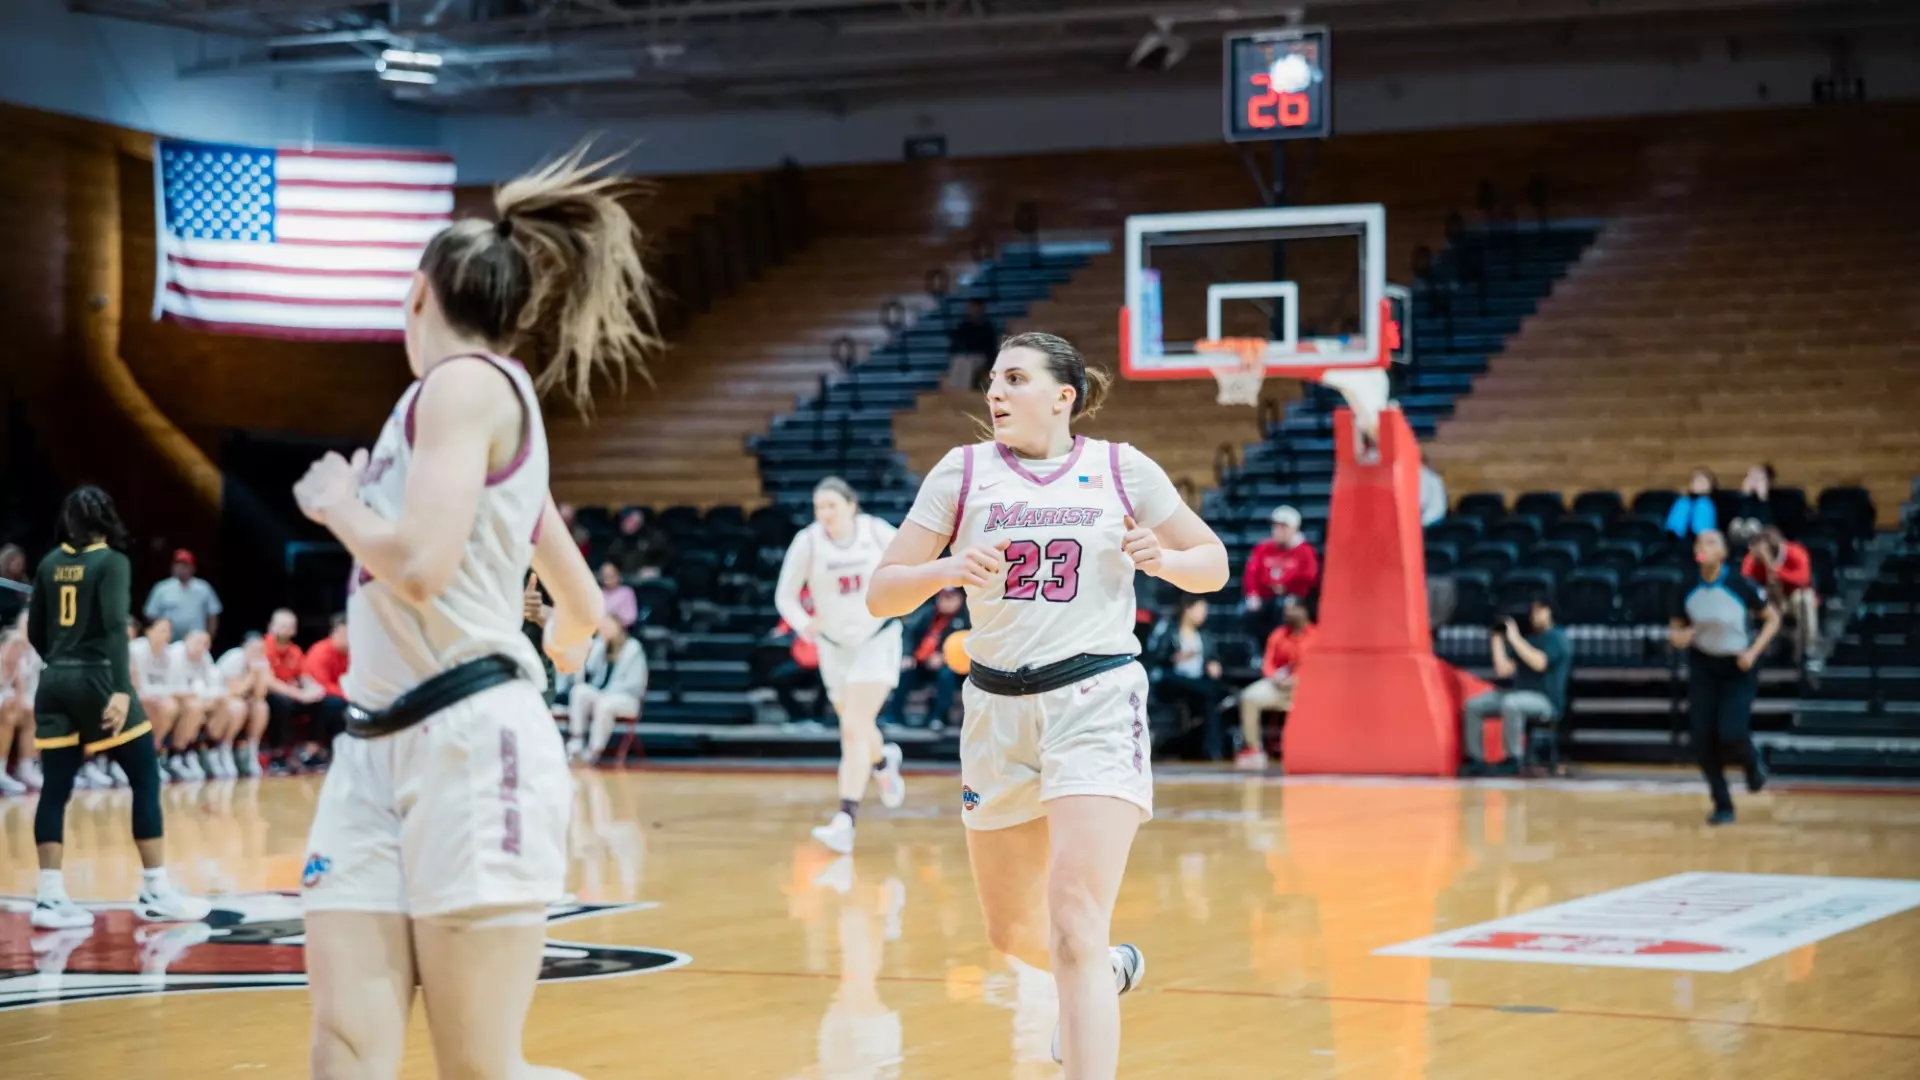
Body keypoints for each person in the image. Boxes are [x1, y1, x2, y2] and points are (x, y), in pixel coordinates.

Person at [289, 144, 650, 1080]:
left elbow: (416, 566)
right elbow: (579, 603)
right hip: (375, 746)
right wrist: (551, 665)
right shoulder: (460, 416)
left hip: (462, 743)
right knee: (344, 1046)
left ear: (418, 295)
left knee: (479, 1071)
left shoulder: (465, 385)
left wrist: (335, 504)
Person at [867, 331, 1228, 1076]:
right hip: (996, 709)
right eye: (994, 379)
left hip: (1094, 698)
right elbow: (881, 590)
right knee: (1015, 936)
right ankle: (1112, 970)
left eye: (1017, 379)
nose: (996, 393)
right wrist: (945, 568)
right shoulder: (961, 474)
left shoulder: (1120, 468)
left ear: (1064, 396)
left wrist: (1167, 560)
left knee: (1072, 923)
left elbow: (1214, 565)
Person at [26, 485, 212, 929]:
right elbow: (114, 627)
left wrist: (60, 664)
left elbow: (35, 631)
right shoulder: (112, 561)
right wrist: (120, 688)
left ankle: (49, 897)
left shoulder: (51, 563)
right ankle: (154, 888)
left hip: (53, 681)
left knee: (55, 788)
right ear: (107, 518)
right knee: (145, 774)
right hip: (96, 678)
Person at [776, 476, 910, 854]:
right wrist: (804, 625)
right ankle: (883, 761)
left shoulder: (876, 532)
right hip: (834, 647)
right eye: (819, 507)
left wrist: (901, 600)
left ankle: (845, 819)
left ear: (851, 505)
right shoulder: (809, 541)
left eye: (832, 505)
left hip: (877, 637)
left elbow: (911, 566)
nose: (825, 514)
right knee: (857, 727)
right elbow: (785, 596)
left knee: (852, 727)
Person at [1670, 530, 1780, 825]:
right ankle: (1723, 803)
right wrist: (1681, 638)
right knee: (1702, 740)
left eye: (1710, 542)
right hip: (1704, 665)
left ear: (1722, 553)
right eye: (1698, 542)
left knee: (1731, 732)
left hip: (1737, 667)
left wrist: (1752, 653)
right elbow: (1676, 629)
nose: (1702, 547)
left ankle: (1752, 762)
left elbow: (1773, 619)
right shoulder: (1686, 585)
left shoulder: (1739, 584)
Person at [1459, 598, 1572, 776]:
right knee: (1474, 706)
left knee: (1512, 703)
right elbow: (1503, 670)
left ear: (1549, 612)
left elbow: (1539, 663)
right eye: (1533, 611)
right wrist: (1496, 639)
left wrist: (1514, 638)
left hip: (1546, 701)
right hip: (1518, 694)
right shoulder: (1529, 640)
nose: (1535, 615)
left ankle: (1513, 759)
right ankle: (1475, 759)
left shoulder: (1557, 637)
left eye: (1539, 610)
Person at [1234, 595, 1315, 771]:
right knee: (1249, 696)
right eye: (1286, 610)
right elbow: (1268, 664)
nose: (1289, 613)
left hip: (1306, 689)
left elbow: (1318, 666)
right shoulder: (1278, 634)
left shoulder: (1316, 635)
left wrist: (1298, 679)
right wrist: (1276, 678)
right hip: (1279, 686)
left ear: (1304, 611)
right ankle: (1253, 749)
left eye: (1293, 609)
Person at [1145, 595, 1229, 761]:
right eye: (1200, 609)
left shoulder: (1205, 636)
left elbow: (1213, 658)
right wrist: (1174, 657)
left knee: (1209, 701)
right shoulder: (1169, 630)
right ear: (1187, 609)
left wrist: (1213, 664)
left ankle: (1211, 750)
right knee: (1208, 693)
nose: (1204, 614)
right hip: (1172, 679)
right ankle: (1213, 750)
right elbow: (1155, 656)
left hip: (1196, 682)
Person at [566, 613, 648, 764]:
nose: (605, 630)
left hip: (626, 698)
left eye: (609, 626)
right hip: (603, 694)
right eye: (602, 627)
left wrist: (607, 694)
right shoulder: (601, 645)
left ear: (619, 627)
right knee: (579, 692)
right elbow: (587, 670)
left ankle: (593, 751)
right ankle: (576, 741)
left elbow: (636, 684)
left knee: (605, 704)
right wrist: (597, 645)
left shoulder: (633, 648)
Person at [887, 587, 968, 729]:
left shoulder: (966, 619)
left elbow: (968, 645)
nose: (946, 602)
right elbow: (908, 633)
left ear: (960, 599)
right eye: (943, 597)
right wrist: (907, 654)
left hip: (951, 668)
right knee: (904, 673)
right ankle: (894, 717)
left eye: (951, 598)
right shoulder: (927, 613)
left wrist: (945, 658)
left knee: (945, 676)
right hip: (922, 663)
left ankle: (937, 718)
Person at [1742, 525, 1820, 666]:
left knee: (1805, 598)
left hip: (1791, 598)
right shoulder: (1753, 558)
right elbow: (1743, 581)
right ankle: (1748, 648)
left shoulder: (1796, 552)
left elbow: (1803, 578)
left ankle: (1808, 650)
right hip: (1767, 601)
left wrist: (1773, 568)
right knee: (1742, 601)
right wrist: (1758, 560)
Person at [1241, 505, 1319, 643]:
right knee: (1245, 612)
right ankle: (1261, 648)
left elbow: (1309, 577)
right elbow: (1251, 573)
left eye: (1283, 527)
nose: (1278, 531)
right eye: (1276, 526)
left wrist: (1289, 589)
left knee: (1282, 609)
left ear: (1294, 529)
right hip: (1266, 597)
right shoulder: (1263, 548)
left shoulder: (1305, 551)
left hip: (1293, 597)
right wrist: (1253, 593)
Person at [261, 608, 324, 768]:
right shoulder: (263, 647)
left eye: (290, 626)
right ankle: (277, 754)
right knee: (281, 703)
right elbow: (269, 682)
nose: (286, 630)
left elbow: (304, 676)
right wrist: (298, 694)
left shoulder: (295, 650)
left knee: (322, 702)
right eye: (282, 625)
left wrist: (314, 689)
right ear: (271, 626)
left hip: (292, 693)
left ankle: (310, 752)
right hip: (268, 694)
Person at [171, 629, 237, 778]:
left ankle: (211, 748)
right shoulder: (176, 654)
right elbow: (177, 688)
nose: (201, 647)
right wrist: (204, 696)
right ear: (186, 639)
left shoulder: (204, 656)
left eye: (206, 644)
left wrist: (208, 696)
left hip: (196, 698)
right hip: (174, 698)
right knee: (195, 708)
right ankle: (179, 754)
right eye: (197, 642)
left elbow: (214, 685)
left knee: (225, 703)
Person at [129, 617, 184, 775]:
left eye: (168, 631)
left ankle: (154, 753)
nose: (167, 635)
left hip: (156, 699)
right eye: (162, 630)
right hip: (136, 697)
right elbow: (136, 686)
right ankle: (144, 756)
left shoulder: (170, 654)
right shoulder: (136, 649)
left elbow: (172, 685)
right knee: (161, 707)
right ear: (148, 631)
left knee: (172, 706)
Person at [213, 632, 272, 778]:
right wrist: (252, 674)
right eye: (253, 650)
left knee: (261, 707)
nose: (257, 653)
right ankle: (224, 748)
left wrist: (259, 675)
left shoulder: (262, 662)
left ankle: (252, 750)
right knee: (238, 707)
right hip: (220, 699)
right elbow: (234, 692)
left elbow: (260, 695)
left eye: (260, 650)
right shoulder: (233, 658)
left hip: (242, 698)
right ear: (244, 648)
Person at [142, 549, 222, 640]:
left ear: (193, 568)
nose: (180, 568)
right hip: (168, 642)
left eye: (184, 566)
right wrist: (161, 633)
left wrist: (209, 638)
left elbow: (213, 615)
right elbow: (150, 614)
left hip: (195, 641)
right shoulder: (161, 588)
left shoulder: (204, 588)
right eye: (177, 565)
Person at [302, 613, 353, 749]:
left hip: (343, 694)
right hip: (314, 697)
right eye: (346, 635)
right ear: (335, 633)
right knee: (335, 704)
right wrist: (348, 695)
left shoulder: (353, 653)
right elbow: (322, 685)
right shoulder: (321, 652)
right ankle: (318, 748)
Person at [946, 298, 1001, 392]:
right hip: (965, 355)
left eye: (976, 308)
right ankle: (955, 391)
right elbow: (956, 345)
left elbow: (991, 348)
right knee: (958, 361)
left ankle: (965, 390)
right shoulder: (963, 326)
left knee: (968, 363)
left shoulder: (987, 328)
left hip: (981, 357)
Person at [1727, 463, 1776, 546]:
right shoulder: (1735, 500)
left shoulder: (1779, 499)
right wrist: (1745, 496)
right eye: (1751, 477)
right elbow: (1737, 520)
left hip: (1763, 543)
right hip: (1737, 542)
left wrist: (1763, 498)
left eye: (1758, 478)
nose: (1754, 481)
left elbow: (1768, 523)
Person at [1664, 467, 1718, 540]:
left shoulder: (1710, 503)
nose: (1698, 483)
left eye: (1702, 481)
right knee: (1683, 503)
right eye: (1695, 480)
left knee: (1703, 503)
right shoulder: (1683, 501)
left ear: (1710, 485)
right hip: (1678, 536)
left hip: (1703, 536)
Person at [598, 561, 638, 629]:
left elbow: (630, 617)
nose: (609, 580)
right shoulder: (599, 593)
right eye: (606, 577)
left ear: (618, 575)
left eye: (612, 576)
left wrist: (614, 622)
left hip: (622, 631)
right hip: (600, 630)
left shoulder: (626, 592)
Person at [0, 543, 30, 628]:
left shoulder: (24, 581)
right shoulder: (2, 583)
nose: (21, 567)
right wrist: (24, 604)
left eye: (22, 564)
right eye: (17, 564)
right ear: (7, 562)